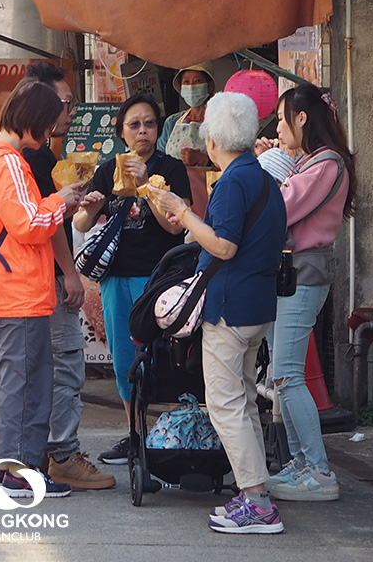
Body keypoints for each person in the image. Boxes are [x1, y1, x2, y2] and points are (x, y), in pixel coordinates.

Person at [149, 92, 288, 534]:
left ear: (211, 140)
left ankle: (257, 501)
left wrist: (182, 213)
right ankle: (255, 490)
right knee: (244, 400)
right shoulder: (263, 177)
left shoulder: (231, 182)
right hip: (257, 305)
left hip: (229, 307)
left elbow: (224, 245)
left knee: (225, 404)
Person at [0, 79, 85, 498]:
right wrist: (62, 202)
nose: (49, 137)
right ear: (35, 121)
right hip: (20, 293)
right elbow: (29, 224)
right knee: (26, 384)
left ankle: (4, 461)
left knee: (4, 381)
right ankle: (16, 471)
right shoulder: (10, 164)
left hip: (1, 290)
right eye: (49, 128)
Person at [72, 93, 191, 464]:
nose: (143, 131)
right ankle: (135, 436)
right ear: (122, 132)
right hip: (116, 278)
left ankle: (174, 436)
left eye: (150, 124)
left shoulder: (171, 170)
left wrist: (149, 187)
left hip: (159, 279)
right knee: (125, 359)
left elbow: (175, 229)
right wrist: (89, 211)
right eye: (135, 125)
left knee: (165, 359)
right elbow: (78, 223)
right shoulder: (109, 170)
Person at [251, 83, 355, 502]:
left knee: (288, 375)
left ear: (303, 119)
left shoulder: (327, 164)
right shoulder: (314, 161)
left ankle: (318, 469)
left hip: (304, 274)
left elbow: (282, 207)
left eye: (281, 118)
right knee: (284, 373)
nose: (278, 127)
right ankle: (300, 462)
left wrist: (264, 166)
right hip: (291, 274)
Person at [21, 61, 116, 490]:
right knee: (66, 363)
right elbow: (47, 225)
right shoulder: (34, 156)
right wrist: (70, 275)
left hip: (27, 283)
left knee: (42, 368)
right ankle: (62, 453)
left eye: (71, 102)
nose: (69, 111)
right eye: (63, 102)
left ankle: (39, 454)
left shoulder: (30, 152)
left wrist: (78, 207)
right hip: (46, 279)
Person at [158, 59, 237, 166]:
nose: (191, 86)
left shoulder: (220, 122)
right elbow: (159, 158)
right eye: (186, 82)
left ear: (209, 86)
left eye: (198, 81)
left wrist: (203, 160)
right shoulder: (172, 122)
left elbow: (232, 163)